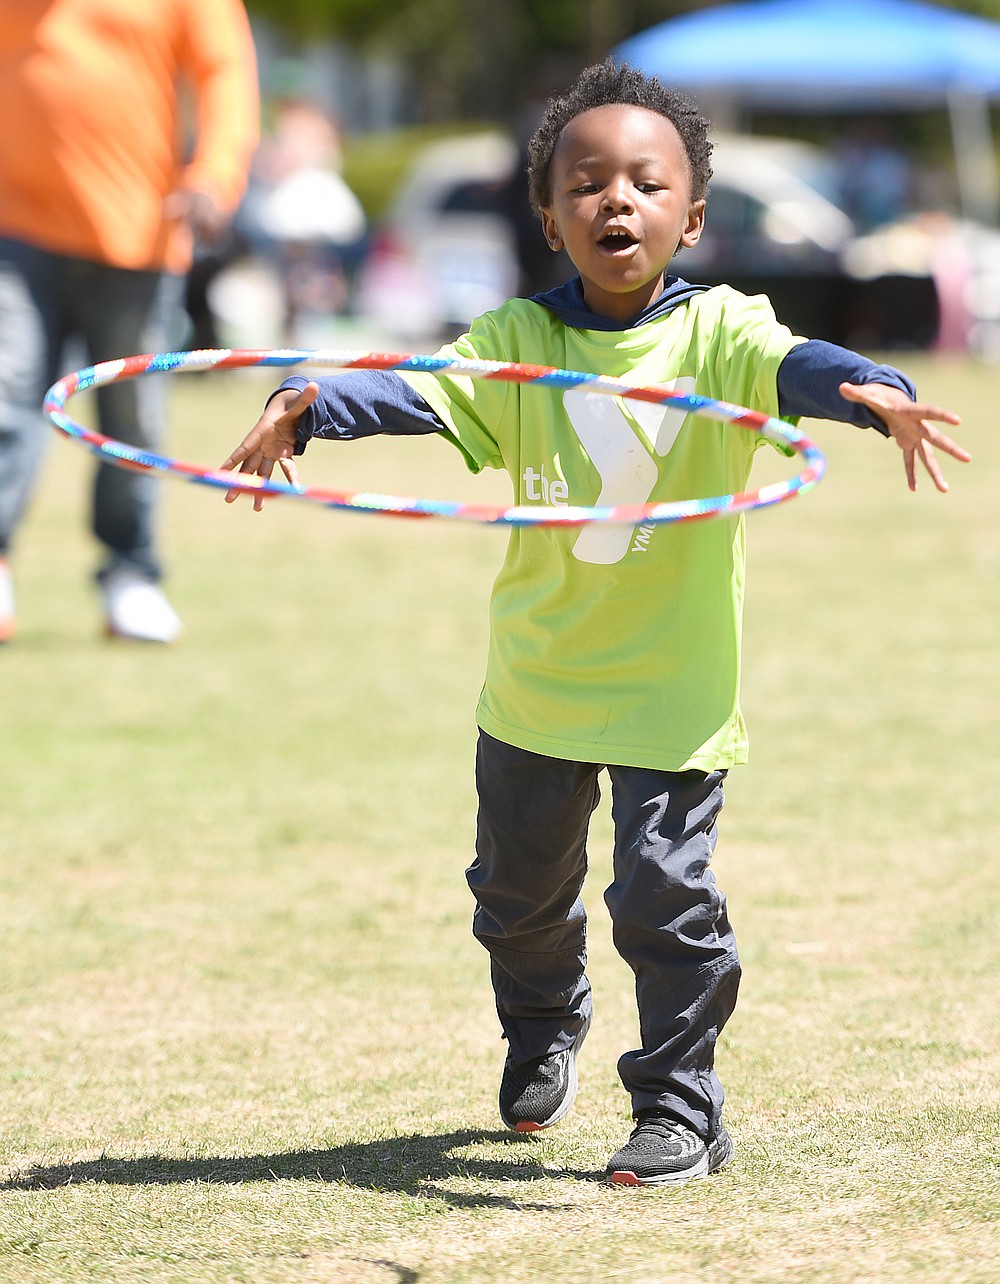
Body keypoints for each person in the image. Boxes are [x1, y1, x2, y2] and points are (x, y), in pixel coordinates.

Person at [220, 62, 969, 1186]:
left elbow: (792, 364)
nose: (616, 201)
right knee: (517, 899)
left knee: (666, 903)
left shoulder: (721, 334)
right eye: (586, 184)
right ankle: (541, 1019)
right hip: (538, 687)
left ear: (693, 214)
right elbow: (421, 390)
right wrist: (308, 407)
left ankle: (679, 1108)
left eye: (644, 183)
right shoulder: (517, 341)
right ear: (549, 219)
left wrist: (863, 385)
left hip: (672, 693)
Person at [0, 0, 258, 644]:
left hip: (138, 233)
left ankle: (130, 575)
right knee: (5, 391)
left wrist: (215, 174)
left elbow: (226, 73)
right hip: (14, 227)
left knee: (132, 418)